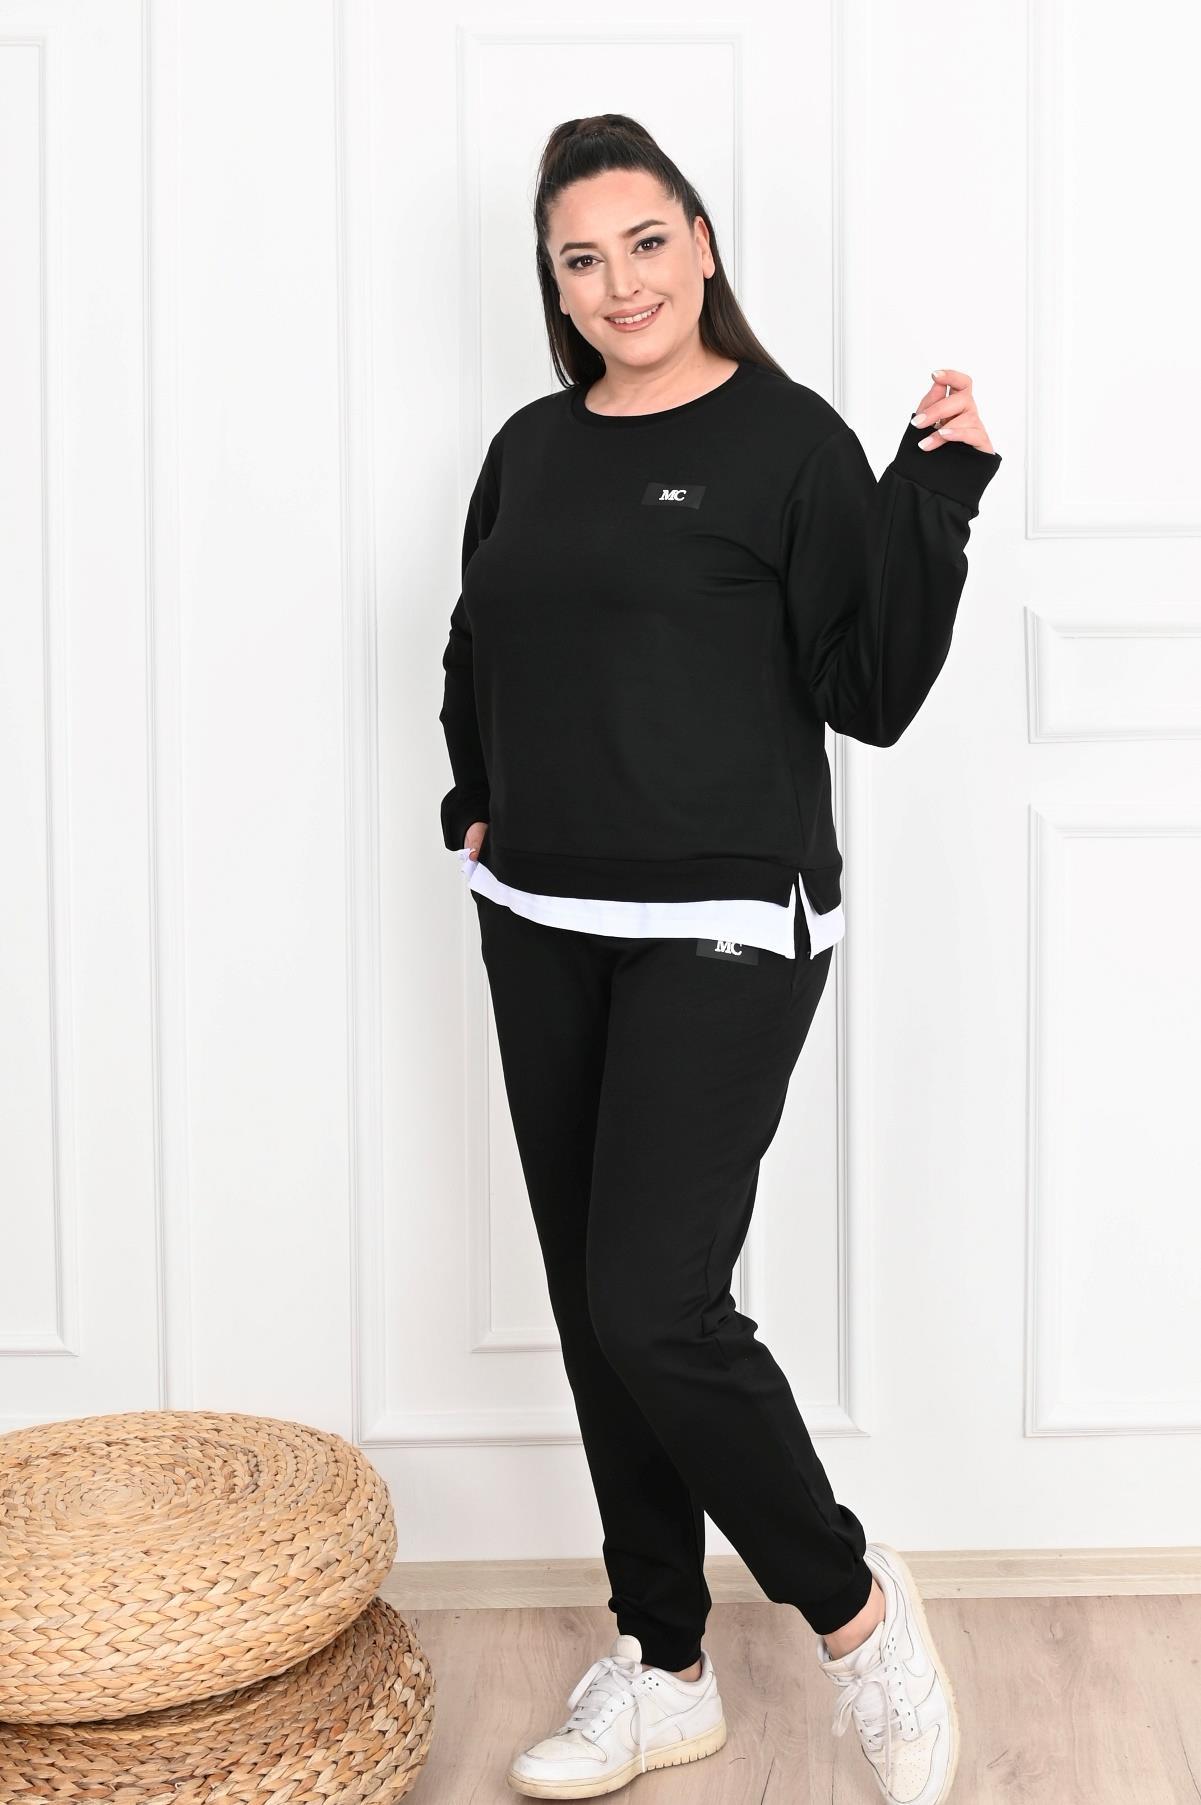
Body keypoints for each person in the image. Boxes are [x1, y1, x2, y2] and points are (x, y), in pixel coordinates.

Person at [438, 113, 1000, 1805]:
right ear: (554, 283)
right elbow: (477, 636)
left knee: (652, 1301)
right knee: (596, 1313)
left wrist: (936, 494)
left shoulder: (785, 439)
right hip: (541, 920)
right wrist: (474, 796)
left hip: (726, 922)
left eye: (643, 241)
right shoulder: (530, 446)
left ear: (698, 241)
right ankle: (663, 1665)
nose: (619, 282)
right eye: (580, 258)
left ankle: (854, 1613)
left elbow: (869, 691)